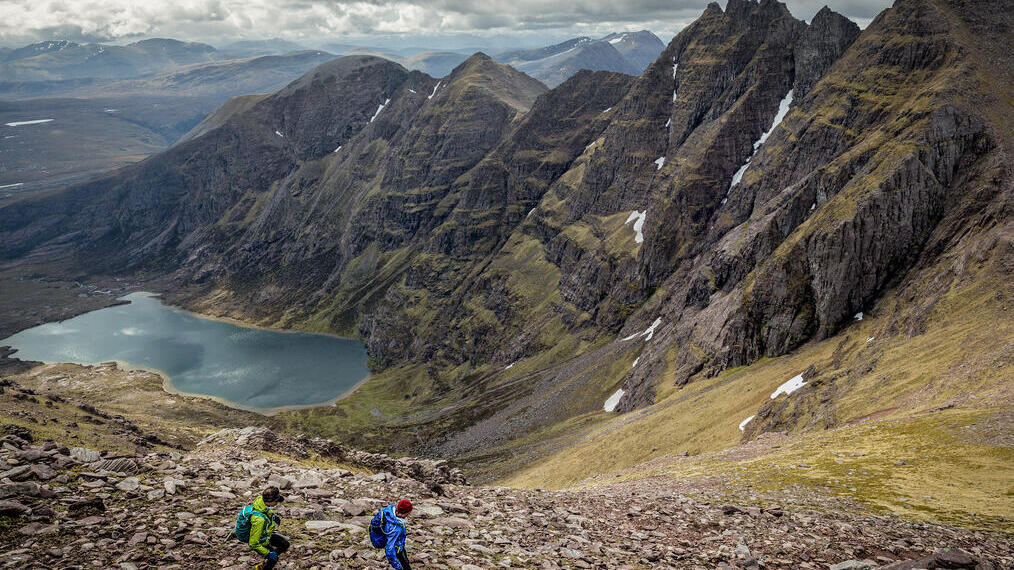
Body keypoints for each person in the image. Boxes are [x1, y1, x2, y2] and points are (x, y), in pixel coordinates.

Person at [235, 486, 290, 570]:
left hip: (265, 533)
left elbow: (265, 510)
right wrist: (268, 553)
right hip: (260, 538)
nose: (277, 503)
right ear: (270, 502)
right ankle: (264, 566)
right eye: (276, 501)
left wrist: (273, 515)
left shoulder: (260, 501)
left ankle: (266, 561)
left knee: (285, 544)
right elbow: (253, 544)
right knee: (273, 559)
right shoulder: (259, 520)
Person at [370, 499, 413, 570]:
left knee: (405, 560)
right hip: (397, 546)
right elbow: (389, 551)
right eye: (409, 513)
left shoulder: (391, 509)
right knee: (403, 560)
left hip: (398, 543)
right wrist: (398, 567)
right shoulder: (395, 529)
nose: (409, 514)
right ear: (405, 513)